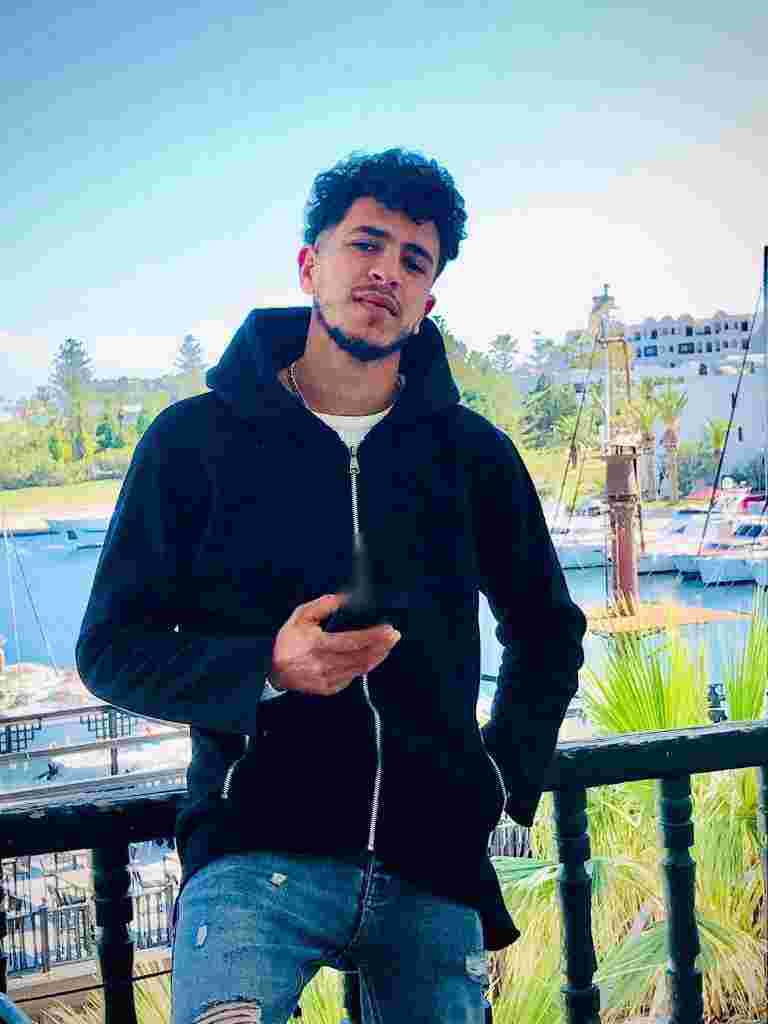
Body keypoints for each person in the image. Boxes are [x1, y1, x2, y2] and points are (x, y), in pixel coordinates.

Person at [77, 148, 586, 1024]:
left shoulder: (474, 455)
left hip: (432, 861)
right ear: (311, 265)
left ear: (428, 301)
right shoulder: (192, 442)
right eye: (366, 243)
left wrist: (501, 774)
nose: (387, 271)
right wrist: (264, 668)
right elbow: (109, 648)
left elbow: (546, 630)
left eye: (415, 260)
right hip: (253, 854)